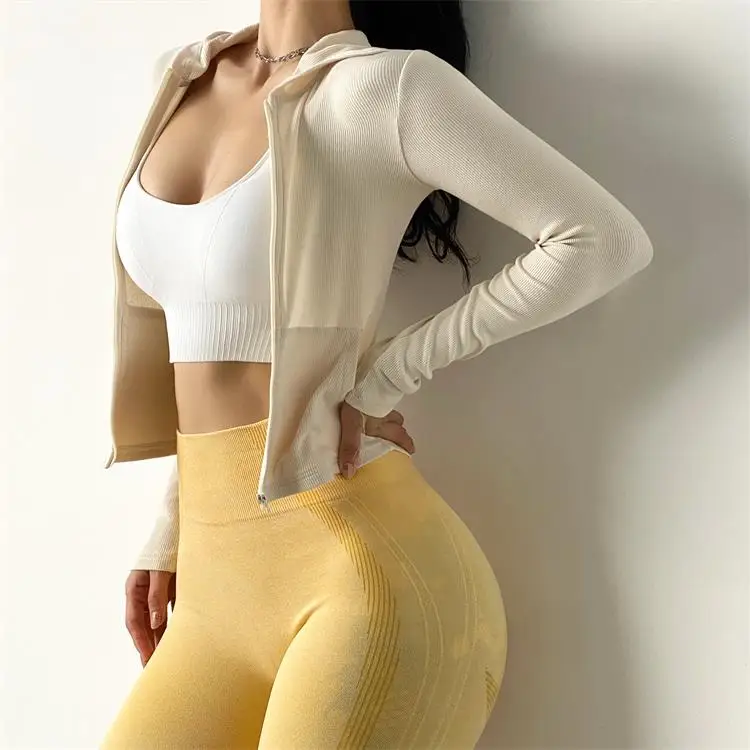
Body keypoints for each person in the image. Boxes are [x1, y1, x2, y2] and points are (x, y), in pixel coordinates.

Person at [99, 0, 654, 746]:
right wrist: (170, 530)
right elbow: (208, 330)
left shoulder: (385, 89)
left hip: (365, 579)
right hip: (213, 586)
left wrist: (387, 375)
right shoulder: (183, 76)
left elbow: (601, 240)